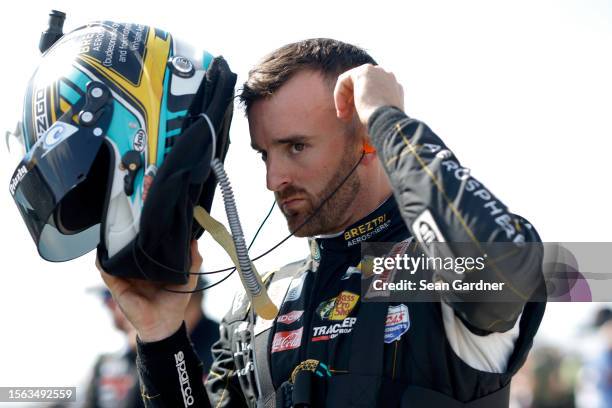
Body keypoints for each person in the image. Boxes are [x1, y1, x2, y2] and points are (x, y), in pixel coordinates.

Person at [98, 38, 547, 407]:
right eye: (264, 154)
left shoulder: (441, 269)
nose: (274, 179)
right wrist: (160, 338)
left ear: (367, 140)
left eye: (296, 147)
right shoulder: (262, 306)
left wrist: (390, 121)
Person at [80, 283, 218, 408]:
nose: (117, 313)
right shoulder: (109, 365)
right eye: (107, 301)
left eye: (128, 293)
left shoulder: (226, 347)